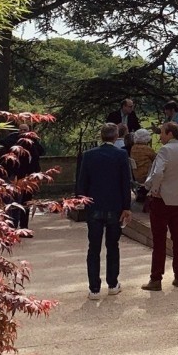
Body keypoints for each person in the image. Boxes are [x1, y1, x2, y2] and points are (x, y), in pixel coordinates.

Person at [76, 123, 132, 299]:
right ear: (116, 136)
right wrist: (127, 207)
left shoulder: (88, 155)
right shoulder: (121, 154)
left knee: (93, 248)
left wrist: (81, 201)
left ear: (101, 136)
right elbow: (125, 183)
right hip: (115, 206)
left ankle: (94, 288)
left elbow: (82, 180)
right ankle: (113, 283)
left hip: (94, 206)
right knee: (112, 246)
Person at [140, 121, 178, 290]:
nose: (160, 136)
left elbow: (157, 172)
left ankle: (156, 278)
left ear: (170, 134)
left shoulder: (165, 150)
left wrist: (155, 189)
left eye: (162, 132)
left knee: (159, 239)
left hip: (162, 199)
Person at [0, 121, 45, 232]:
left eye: (25, 130)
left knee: (26, 201)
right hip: (13, 175)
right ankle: (12, 226)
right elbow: (3, 148)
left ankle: (24, 227)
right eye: (21, 129)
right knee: (12, 201)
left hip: (28, 176)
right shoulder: (12, 139)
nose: (23, 132)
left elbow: (41, 152)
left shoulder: (33, 142)